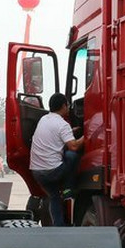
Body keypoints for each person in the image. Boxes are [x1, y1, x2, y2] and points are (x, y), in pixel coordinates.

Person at [30, 94, 83, 226]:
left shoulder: (43, 119)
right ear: (64, 106)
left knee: (54, 197)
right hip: (52, 171)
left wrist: (70, 132)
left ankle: (59, 226)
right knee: (71, 156)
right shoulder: (62, 124)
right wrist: (87, 135)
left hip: (37, 172)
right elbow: (74, 146)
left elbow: (54, 134)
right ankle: (68, 189)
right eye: (68, 105)